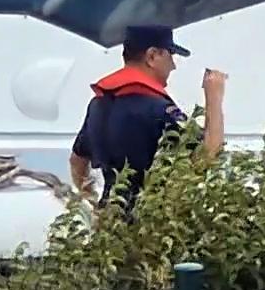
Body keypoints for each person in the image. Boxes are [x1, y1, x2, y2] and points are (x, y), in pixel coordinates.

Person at [69, 25, 227, 206]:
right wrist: (214, 97)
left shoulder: (98, 104)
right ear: (152, 56)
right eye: (170, 55)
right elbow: (208, 157)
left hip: (111, 215)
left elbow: (77, 162)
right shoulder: (159, 110)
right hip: (151, 217)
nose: (173, 66)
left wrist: (91, 200)